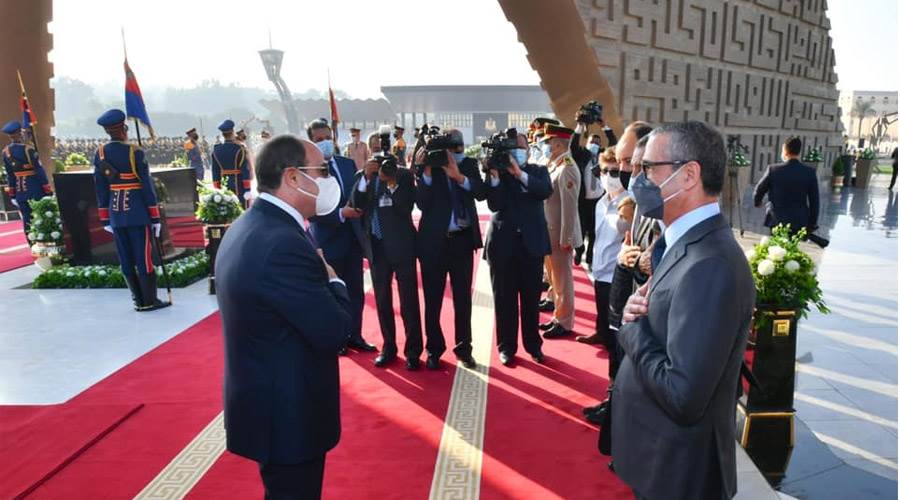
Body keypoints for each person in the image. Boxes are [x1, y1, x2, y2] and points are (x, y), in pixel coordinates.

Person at [614, 121, 755, 500]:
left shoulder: (711, 264)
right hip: (658, 457)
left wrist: (633, 329)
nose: (637, 179)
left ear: (689, 175)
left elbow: (684, 395)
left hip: (678, 474)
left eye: (648, 168)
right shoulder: (683, 242)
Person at [216, 134, 350, 500]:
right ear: (292, 177)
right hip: (287, 415)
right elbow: (334, 331)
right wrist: (334, 280)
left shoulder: (251, 224)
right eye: (321, 171)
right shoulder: (282, 243)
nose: (328, 180)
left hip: (269, 402)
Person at [414, 129, 486, 370]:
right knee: (432, 299)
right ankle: (434, 349)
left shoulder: (468, 164)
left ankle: (464, 349)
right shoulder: (429, 165)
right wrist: (424, 171)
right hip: (433, 243)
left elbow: (480, 192)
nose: (453, 152)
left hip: (461, 241)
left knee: (463, 299)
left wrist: (459, 177)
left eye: (456, 146)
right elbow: (421, 203)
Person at [307, 119, 377, 355]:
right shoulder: (307, 170)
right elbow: (310, 209)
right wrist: (340, 213)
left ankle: (355, 335)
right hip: (327, 242)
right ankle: (337, 339)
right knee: (331, 292)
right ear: (310, 142)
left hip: (353, 239)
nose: (325, 142)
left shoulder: (347, 164)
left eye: (328, 137)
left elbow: (357, 194)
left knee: (355, 290)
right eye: (319, 140)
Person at [484, 132, 552, 366]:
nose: (516, 151)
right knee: (504, 300)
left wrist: (519, 173)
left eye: (521, 147)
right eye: (512, 148)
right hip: (502, 245)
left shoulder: (537, 171)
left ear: (529, 151)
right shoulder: (498, 173)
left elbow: (544, 191)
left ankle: (533, 345)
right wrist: (494, 177)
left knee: (531, 300)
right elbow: (494, 204)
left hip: (531, 245)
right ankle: (506, 347)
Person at [353, 150, 424, 370]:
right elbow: (356, 204)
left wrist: (391, 183)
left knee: (408, 301)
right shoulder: (363, 176)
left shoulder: (402, 175)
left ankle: (413, 352)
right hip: (376, 247)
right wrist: (366, 178)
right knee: (382, 301)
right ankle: (389, 348)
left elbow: (405, 208)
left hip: (402, 246)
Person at [92, 109, 169, 312]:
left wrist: (105, 218)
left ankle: (137, 299)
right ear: (124, 128)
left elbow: (100, 188)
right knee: (143, 257)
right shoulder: (135, 152)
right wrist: (155, 217)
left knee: (125, 257)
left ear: (107, 131)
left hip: (115, 214)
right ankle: (150, 300)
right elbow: (146, 186)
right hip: (137, 213)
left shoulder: (100, 153)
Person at [577, 154, 630, 346]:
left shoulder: (630, 204)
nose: (608, 176)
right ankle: (600, 333)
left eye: (614, 172)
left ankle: (612, 344)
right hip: (600, 266)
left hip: (617, 271)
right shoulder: (601, 202)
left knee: (615, 317)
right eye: (604, 171)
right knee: (601, 306)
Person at [538, 123, 581, 339]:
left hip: (560, 235)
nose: (546, 146)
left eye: (549, 143)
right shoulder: (556, 165)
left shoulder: (567, 167)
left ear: (558, 144)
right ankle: (558, 314)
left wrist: (567, 238)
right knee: (554, 277)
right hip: (549, 232)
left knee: (563, 279)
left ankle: (564, 321)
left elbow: (569, 209)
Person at [571, 115, 617, 266]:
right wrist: (580, 125)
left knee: (593, 232)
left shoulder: (603, 156)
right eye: (592, 142)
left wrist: (604, 127)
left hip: (597, 201)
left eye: (597, 142)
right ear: (587, 143)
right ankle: (579, 251)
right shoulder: (582, 154)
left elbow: (614, 144)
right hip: (582, 201)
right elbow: (573, 145)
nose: (595, 144)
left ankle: (590, 256)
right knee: (580, 230)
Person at [753, 136, 819, 235]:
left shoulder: (773, 170)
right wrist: (812, 224)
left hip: (776, 220)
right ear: (799, 151)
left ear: (785, 150)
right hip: (799, 221)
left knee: (776, 244)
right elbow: (815, 202)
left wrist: (757, 202)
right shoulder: (809, 172)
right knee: (792, 245)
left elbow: (759, 190)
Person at [2, 120, 52, 238]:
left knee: (27, 219)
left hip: (20, 192)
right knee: (42, 217)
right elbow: (39, 171)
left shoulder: (5, 152)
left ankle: (32, 243)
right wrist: (47, 190)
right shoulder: (28, 150)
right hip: (35, 189)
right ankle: (44, 243)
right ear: (19, 133)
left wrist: (12, 195)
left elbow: (10, 175)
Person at [211, 119, 252, 206]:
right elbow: (245, 169)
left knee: (227, 208)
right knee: (241, 208)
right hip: (239, 184)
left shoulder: (216, 150)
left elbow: (215, 171)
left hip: (224, 185)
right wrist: (247, 189)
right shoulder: (239, 149)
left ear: (222, 134)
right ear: (233, 132)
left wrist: (217, 188)